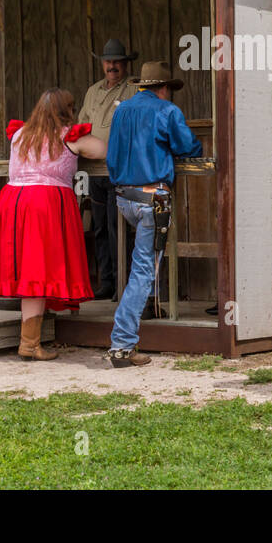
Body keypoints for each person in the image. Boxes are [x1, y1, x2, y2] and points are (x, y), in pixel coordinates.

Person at [0, 87, 106, 361]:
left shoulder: (19, 134)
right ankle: (28, 343)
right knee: (37, 270)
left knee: (30, 268)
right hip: (44, 203)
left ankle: (31, 338)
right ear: (67, 111)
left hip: (13, 201)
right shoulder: (69, 137)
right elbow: (102, 150)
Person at [105, 61, 202, 367]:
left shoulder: (121, 111)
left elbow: (111, 155)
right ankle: (121, 345)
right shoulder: (166, 111)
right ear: (163, 88)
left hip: (124, 197)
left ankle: (129, 334)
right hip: (153, 198)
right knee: (143, 271)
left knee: (138, 268)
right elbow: (188, 147)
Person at [77, 38, 139, 299]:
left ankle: (122, 283)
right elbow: (82, 123)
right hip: (94, 169)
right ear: (102, 64)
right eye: (108, 62)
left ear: (125, 64)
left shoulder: (133, 89)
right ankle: (107, 282)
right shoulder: (92, 91)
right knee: (100, 225)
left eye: (117, 62)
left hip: (119, 168)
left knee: (118, 226)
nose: (112, 66)